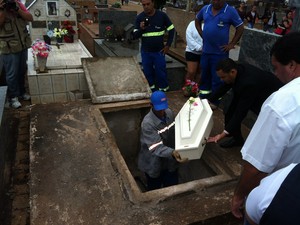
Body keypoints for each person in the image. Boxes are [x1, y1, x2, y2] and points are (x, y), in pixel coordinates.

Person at [231, 32, 300, 221]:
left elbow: (256, 167)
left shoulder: (282, 102)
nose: (275, 74)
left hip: (275, 197)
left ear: (292, 65)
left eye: (276, 67)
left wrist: (239, 195)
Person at [207, 58, 283, 148]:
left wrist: (222, 134)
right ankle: (237, 139)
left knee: (269, 123)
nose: (221, 80)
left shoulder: (248, 83)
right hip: (250, 91)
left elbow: (241, 111)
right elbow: (225, 86)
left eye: (223, 77)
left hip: (270, 99)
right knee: (229, 111)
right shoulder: (238, 69)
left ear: (232, 72)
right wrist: (207, 101)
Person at [195, 0, 244, 104]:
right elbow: (197, 20)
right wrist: (201, 33)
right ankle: (203, 99)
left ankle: (214, 102)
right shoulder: (206, 9)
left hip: (220, 54)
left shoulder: (230, 11)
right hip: (206, 52)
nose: (216, 2)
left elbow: (240, 27)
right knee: (204, 76)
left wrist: (232, 44)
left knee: (218, 79)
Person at [138, 91, 187, 190]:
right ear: (151, 105)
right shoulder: (148, 123)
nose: (161, 112)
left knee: (172, 186)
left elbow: (175, 131)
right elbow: (156, 147)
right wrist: (173, 153)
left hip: (169, 160)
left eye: (163, 108)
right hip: (154, 160)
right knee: (155, 187)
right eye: (158, 109)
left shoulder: (169, 113)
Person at [133, 0, 175, 92]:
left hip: (159, 52)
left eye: (148, 4)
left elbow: (172, 30)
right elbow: (135, 36)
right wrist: (141, 29)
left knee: (161, 74)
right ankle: (152, 92)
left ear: (153, 3)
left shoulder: (162, 16)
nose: (146, 6)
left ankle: (163, 92)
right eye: (144, 5)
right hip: (146, 53)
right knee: (148, 73)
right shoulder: (140, 17)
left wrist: (168, 45)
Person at [0, 0, 33, 108]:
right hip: (9, 48)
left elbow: (30, 18)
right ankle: (13, 98)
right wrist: (3, 10)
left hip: (22, 44)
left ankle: (22, 92)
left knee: (21, 70)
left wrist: (17, 9)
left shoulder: (17, 4)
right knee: (11, 74)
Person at [185, 20, 203, 84]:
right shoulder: (191, 24)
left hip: (204, 53)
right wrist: (200, 48)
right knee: (191, 72)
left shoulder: (209, 24)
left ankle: (196, 89)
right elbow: (189, 39)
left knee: (200, 72)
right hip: (192, 51)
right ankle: (188, 88)